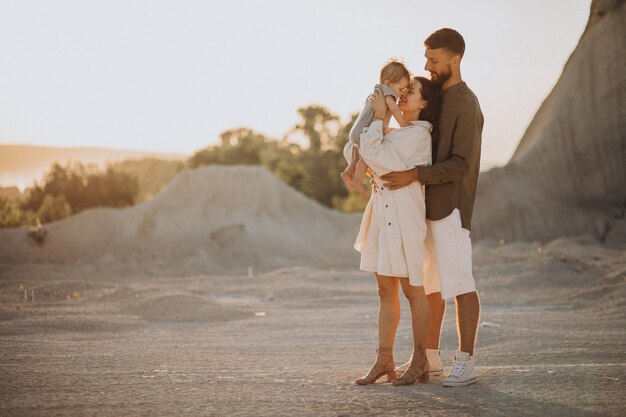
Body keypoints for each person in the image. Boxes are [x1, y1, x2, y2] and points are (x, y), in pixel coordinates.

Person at [382, 28, 484, 387]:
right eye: (426, 58)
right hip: (425, 206)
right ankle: (431, 361)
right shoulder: (436, 94)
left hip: (451, 207)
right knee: (431, 288)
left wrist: (414, 174)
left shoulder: (467, 104)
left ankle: (466, 362)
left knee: (460, 284)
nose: (426, 65)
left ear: (454, 59)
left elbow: (461, 163)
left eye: (434, 60)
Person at [346, 76, 442, 386]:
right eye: (401, 90)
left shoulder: (418, 135)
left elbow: (372, 152)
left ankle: (420, 360)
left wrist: (378, 116)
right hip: (381, 212)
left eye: (410, 92)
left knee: (413, 289)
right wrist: (375, 129)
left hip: (404, 217)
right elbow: (354, 149)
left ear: (424, 103)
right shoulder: (394, 133)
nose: (402, 95)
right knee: (384, 289)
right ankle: (384, 359)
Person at [341, 60, 411, 195]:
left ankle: (347, 173)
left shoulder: (377, 91)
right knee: (365, 158)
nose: (401, 94)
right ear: (389, 83)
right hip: (366, 132)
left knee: (357, 157)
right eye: (400, 89)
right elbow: (395, 109)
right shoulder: (387, 94)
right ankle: (357, 179)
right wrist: (403, 123)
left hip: (357, 130)